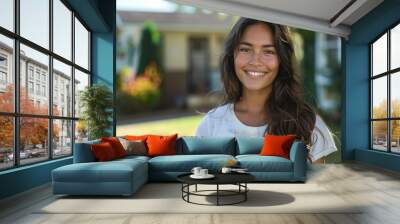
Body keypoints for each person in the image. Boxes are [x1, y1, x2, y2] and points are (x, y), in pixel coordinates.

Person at [195, 18, 337, 163]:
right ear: (232, 56)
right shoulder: (211, 125)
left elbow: (315, 185)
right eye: (245, 49)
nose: (255, 61)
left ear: (282, 59)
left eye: (268, 51)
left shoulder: (309, 124)